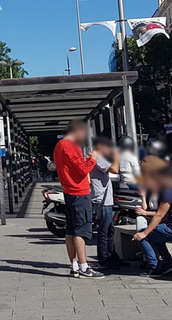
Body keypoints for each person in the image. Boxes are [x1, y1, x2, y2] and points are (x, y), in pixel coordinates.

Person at [52, 119, 102, 279]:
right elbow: (82, 170)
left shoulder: (59, 146)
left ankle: (74, 265)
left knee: (71, 230)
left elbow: (71, 167)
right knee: (81, 229)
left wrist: (85, 159)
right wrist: (93, 158)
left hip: (68, 191)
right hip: (79, 192)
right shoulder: (71, 146)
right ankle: (84, 266)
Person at [132, 156, 172, 278]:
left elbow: (160, 214)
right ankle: (167, 263)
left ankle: (154, 267)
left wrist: (144, 233)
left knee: (142, 236)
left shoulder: (168, 189)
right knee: (156, 235)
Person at [89, 137, 122, 269]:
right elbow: (115, 169)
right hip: (102, 200)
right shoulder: (97, 157)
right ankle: (104, 259)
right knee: (104, 231)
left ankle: (111, 255)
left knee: (110, 230)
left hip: (105, 199)